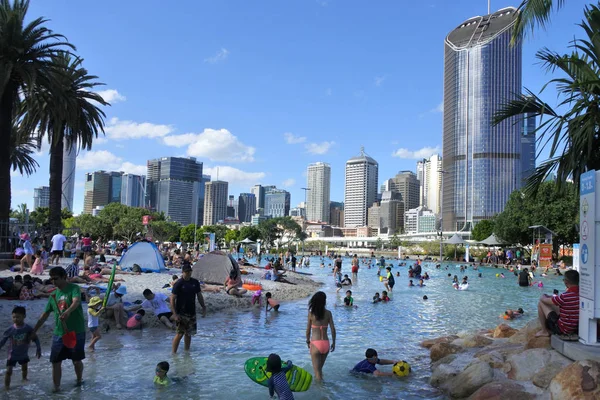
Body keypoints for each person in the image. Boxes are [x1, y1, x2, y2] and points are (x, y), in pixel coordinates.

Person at [32, 266, 86, 392]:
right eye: (51, 279)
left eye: (56, 279)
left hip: (76, 331)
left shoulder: (74, 288)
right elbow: (44, 315)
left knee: (76, 361)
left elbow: (76, 301)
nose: (53, 282)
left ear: (64, 277)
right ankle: (56, 389)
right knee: (55, 362)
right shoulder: (53, 295)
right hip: (59, 333)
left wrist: (67, 312)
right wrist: (34, 330)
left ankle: (79, 381)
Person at [0, 306, 41, 389]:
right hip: (12, 354)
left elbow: (35, 338)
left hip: (23, 353)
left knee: (24, 368)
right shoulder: (10, 329)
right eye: (14, 317)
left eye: (18, 317)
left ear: (24, 316)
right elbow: (3, 341)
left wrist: (38, 348)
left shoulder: (28, 328)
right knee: (8, 371)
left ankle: (24, 379)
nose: (15, 319)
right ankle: (7, 387)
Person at [171, 264, 206, 354]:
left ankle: (187, 352)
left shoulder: (195, 282)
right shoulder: (179, 283)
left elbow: (199, 295)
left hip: (191, 312)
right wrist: (174, 314)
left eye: (189, 271)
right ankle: (173, 353)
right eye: (186, 272)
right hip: (181, 313)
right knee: (179, 334)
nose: (188, 273)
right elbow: (172, 299)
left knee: (189, 333)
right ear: (182, 272)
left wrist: (203, 307)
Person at [536, 270, 579, 337]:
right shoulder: (582, 294)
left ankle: (544, 331)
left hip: (563, 329)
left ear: (566, 281)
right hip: (576, 328)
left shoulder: (564, 296)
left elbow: (545, 301)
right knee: (559, 306)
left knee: (541, 303)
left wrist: (543, 296)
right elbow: (557, 301)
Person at [306, 291, 336, 382]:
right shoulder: (328, 313)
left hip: (315, 343)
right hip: (326, 344)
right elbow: (333, 329)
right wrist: (334, 343)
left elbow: (308, 330)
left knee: (317, 372)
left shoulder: (311, 314)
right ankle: (322, 388)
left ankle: (321, 393)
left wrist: (307, 341)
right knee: (320, 370)